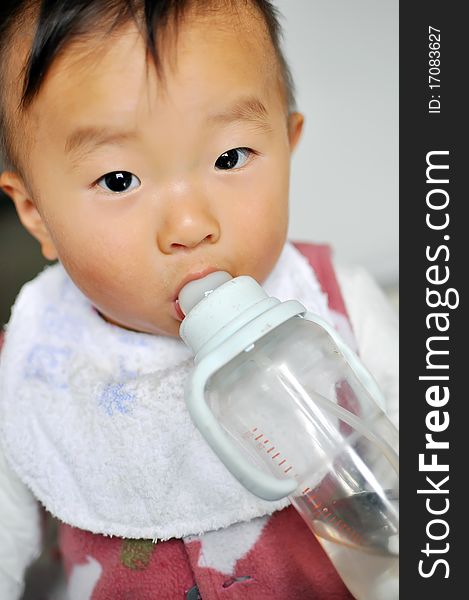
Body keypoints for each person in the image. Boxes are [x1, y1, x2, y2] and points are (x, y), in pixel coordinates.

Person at [0, 1, 398, 598]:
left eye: (230, 157)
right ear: (37, 214)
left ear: (288, 147)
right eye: (118, 180)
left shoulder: (340, 301)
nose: (190, 224)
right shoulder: (31, 366)